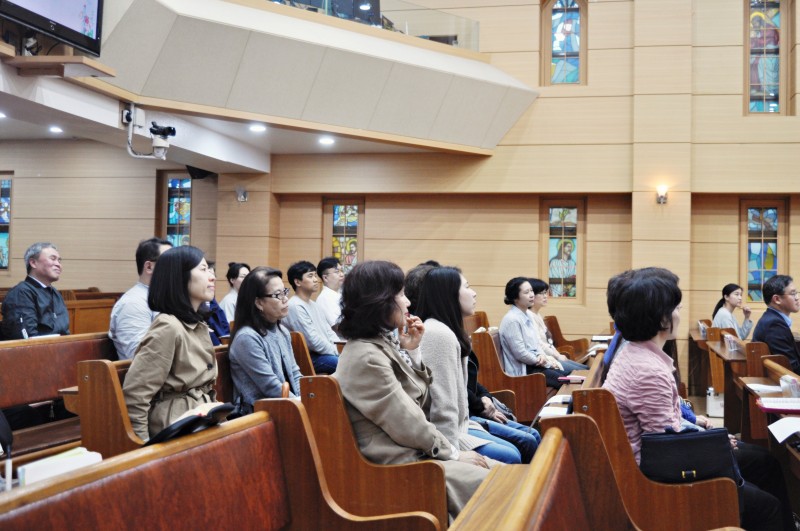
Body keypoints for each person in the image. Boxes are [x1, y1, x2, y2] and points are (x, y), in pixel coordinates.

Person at [603, 268, 794, 531]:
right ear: (661, 318)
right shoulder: (647, 370)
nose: (680, 314)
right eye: (677, 307)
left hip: (655, 458)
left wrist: (703, 431)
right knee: (767, 506)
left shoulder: (636, 354)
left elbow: (666, 424)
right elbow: (667, 442)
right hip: (655, 477)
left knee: (765, 462)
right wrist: (712, 440)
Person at [333, 260, 489, 521]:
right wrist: (453, 452)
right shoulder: (365, 356)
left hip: (413, 451)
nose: (407, 303)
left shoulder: (378, 343)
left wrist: (414, 353)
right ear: (381, 301)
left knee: (506, 473)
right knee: (497, 484)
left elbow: (418, 403)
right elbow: (408, 421)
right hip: (397, 464)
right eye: (401, 295)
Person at [416, 266, 523, 464]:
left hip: (463, 425)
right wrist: (452, 455)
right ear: (449, 295)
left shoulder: (449, 330)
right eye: (467, 286)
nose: (474, 292)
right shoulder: (437, 334)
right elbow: (442, 404)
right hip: (449, 436)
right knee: (513, 455)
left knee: (521, 442)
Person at [122, 246, 218, 442]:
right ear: (179, 277)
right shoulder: (168, 327)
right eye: (203, 269)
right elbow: (136, 395)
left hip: (198, 418)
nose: (212, 277)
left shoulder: (196, 323)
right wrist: (142, 449)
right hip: (175, 425)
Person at [229, 267, 301, 414]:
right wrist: (302, 406)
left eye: (285, 292)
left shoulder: (282, 331)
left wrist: (307, 400)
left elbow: (295, 374)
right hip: (259, 414)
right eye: (278, 294)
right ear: (259, 303)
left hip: (285, 406)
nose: (285, 299)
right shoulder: (247, 337)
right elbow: (270, 387)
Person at [498, 277, 581, 387]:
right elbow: (520, 353)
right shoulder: (512, 319)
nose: (532, 295)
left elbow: (536, 343)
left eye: (532, 291)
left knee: (574, 377)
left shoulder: (526, 315)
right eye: (526, 292)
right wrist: (539, 359)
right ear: (515, 298)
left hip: (535, 365)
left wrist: (541, 355)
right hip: (525, 370)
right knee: (570, 381)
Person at [109, 237, 171, 359]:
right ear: (149, 267)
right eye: (170, 262)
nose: (176, 269)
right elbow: (141, 358)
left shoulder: (165, 298)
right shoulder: (133, 303)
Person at [1, 242, 69, 339]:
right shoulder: (21, 293)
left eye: (59, 260)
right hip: (36, 352)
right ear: (33, 263)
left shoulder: (55, 293)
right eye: (53, 259)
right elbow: (26, 339)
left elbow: (64, 332)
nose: (58, 264)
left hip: (59, 350)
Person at [282, 260, 339, 374]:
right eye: (310, 276)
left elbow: (329, 332)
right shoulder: (295, 306)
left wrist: (337, 349)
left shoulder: (314, 305)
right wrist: (335, 352)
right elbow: (312, 342)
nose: (316, 280)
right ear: (297, 282)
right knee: (348, 365)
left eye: (315, 275)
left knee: (351, 362)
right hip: (310, 358)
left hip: (323, 354)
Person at [526, 277, 588, 373]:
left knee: (586, 369)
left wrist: (558, 355)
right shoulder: (529, 316)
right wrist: (558, 356)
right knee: (583, 372)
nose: (545, 296)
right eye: (541, 293)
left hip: (552, 358)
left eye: (546, 292)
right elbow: (540, 344)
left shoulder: (537, 315)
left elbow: (548, 342)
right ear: (531, 295)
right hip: (545, 361)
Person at [753, 274, 800, 372]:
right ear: (777, 299)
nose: (797, 297)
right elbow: (790, 367)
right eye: (793, 293)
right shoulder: (774, 324)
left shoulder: (771, 318)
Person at [203, 262, 230, 346]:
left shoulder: (213, 302)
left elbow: (225, 329)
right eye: (204, 271)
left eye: (213, 274)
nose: (213, 278)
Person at [315, 256, 345, 331]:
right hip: (339, 341)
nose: (342, 274)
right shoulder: (325, 298)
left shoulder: (339, 293)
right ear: (325, 278)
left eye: (341, 271)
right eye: (337, 272)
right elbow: (338, 327)